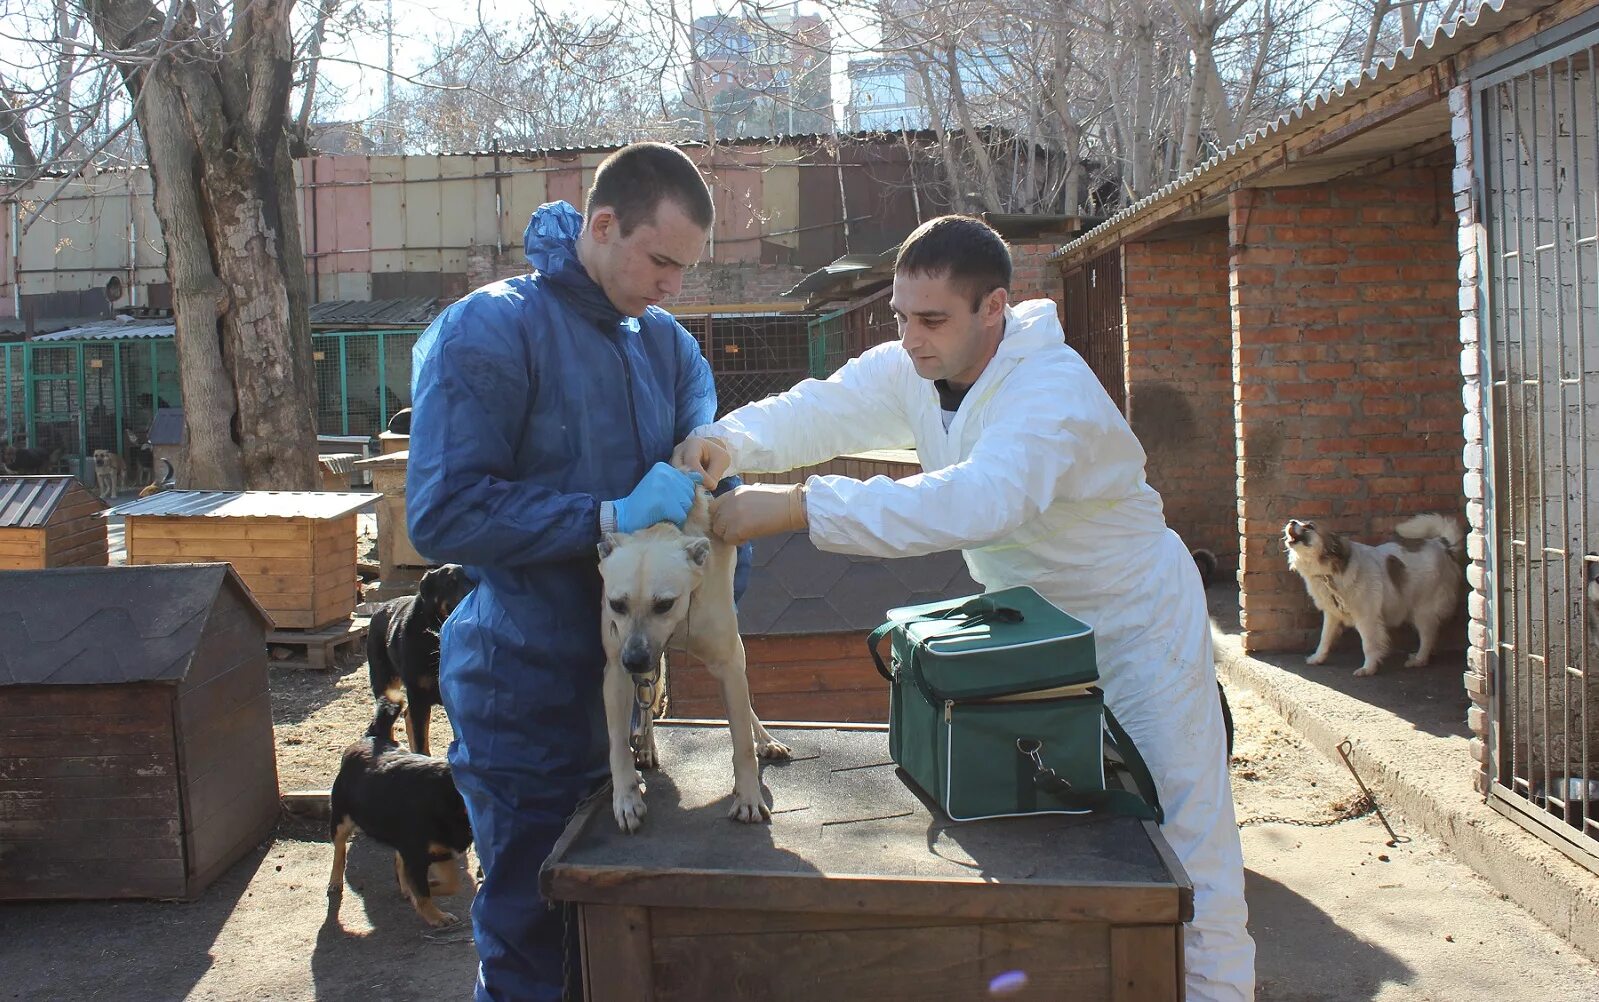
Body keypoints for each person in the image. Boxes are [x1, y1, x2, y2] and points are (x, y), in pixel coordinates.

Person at [674, 215, 1255, 1002]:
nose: (911, 339)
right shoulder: (919, 363)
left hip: (1134, 626)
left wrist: (802, 507)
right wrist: (725, 441)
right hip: (1024, 630)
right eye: (902, 318)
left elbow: (978, 503)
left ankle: (1217, 991)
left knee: (1184, 836)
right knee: (1045, 821)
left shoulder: (1051, 392)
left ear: (994, 309)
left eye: (932, 320)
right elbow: (822, 408)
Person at [406, 142, 749, 1002]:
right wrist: (603, 515)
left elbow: (699, 412)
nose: (674, 284)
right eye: (661, 259)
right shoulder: (491, 327)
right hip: (524, 691)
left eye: (686, 267)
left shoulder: (662, 342)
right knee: (535, 938)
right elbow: (442, 512)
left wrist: (710, 452)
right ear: (602, 225)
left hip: (627, 690)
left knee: (620, 934)